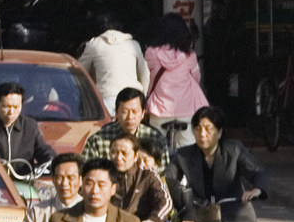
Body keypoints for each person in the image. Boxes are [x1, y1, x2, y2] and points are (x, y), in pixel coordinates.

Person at [144, 15, 209, 148]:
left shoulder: (151, 53)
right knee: (188, 151)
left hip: (159, 110)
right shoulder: (189, 55)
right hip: (187, 110)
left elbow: (147, 76)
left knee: (156, 149)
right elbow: (197, 78)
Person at [0, 83, 56, 169]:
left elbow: (44, 151)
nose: (11, 112)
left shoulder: (30, 126)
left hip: (23, 180)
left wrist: (53, 163)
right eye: (6, 107)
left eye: (16, 107)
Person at [82, 88, 170, 167]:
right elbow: (87, 171)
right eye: (124, 112)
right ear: (116, 113)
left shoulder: (155, 138)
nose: (130, 117)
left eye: (135, 112)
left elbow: (164, 174)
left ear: (143, 113)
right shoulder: (97, 141)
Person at [78, 15, 149, 111]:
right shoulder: (133, 45)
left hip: (107, 99)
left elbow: (81, 72)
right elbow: (145, 75)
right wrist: (143, 95)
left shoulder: (94, 45)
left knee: (108, 126)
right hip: (132, 97)